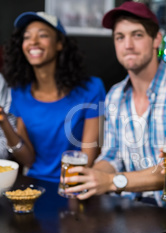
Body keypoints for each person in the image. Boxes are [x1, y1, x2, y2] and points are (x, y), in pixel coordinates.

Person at [62, 1, 166, 233]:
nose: (128, 45)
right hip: (129, 221)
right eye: (120, 37)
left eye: (137, 35)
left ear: (156, 39)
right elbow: (112, 156)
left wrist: (112, 182)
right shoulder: (115, 94)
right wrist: (91, 177)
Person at [1, 12, 106, 182]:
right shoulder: (19, 93)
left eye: (42, 35)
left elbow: (89, 156)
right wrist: (4, 123)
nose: (33, 42)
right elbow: (29, 160)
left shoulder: (92, 89)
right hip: (36, 184)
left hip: (78, 183)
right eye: (27, 37)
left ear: (59, 44)